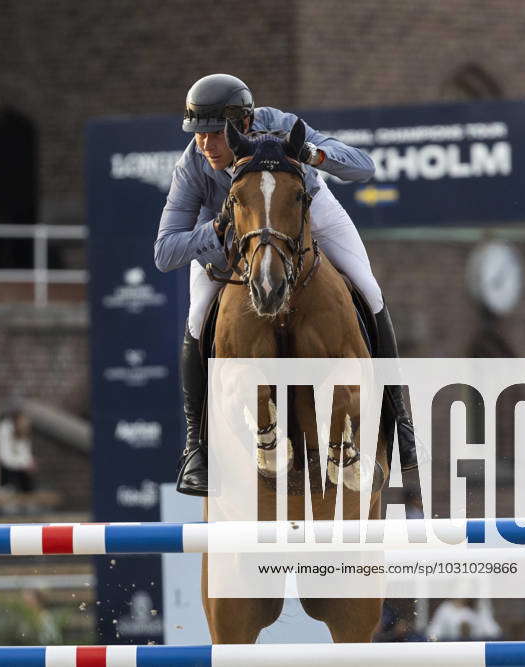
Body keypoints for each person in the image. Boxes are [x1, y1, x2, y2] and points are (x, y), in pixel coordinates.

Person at [156, 74, 418, 496]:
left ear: (242, 123)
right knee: (197, 316)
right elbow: (165, 251)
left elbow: (363, 167)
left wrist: (314, 155)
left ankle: (400, 422)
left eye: (212, 135)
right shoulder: (192, 166)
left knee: (369, 291)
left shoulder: (278, 125)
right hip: (230, 237)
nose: (205, 145)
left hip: (303, 214)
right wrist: (217, 230)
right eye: (198, 135)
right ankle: (195, 447)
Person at [0, 410, 37, 493]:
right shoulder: (5, 430)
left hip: (19, 471)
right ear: (17, 421)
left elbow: (26, 455)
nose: (25, 427)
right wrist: (24, 464)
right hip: (5, 471)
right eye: (23, 423)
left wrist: (29, 463)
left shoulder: (24, 435)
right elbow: (5, 458)